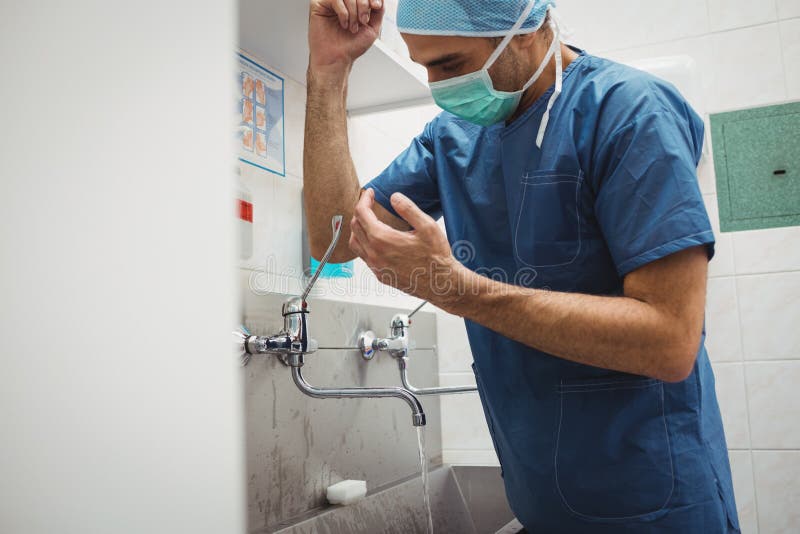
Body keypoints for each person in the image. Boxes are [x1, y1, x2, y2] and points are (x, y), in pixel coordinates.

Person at [303, 1, 739, 532]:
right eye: (426, 67)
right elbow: (334, 239)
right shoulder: (452, 138)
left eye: (450, 64)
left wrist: (455, 289)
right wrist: (328, 72)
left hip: (654, 504)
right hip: (540, 501)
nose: (438, 86)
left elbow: (671, 341)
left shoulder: (628, 112)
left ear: (527, 30)